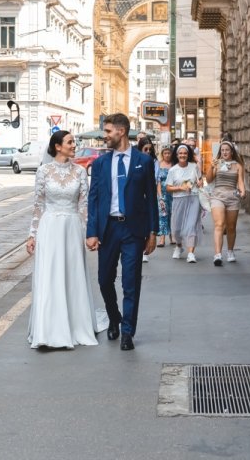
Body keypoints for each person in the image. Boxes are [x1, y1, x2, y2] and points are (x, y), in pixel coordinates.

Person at [86, 113, 158, 351]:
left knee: (131, 281)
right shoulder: (100, 164)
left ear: (121, 132)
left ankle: (127, 331)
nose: (104, 136)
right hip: (108, 228)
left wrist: (153, 231)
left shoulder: (143, 161)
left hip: (133, 230)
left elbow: (151, 199)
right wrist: (92, 231)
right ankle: (114, 316)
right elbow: (93, 199)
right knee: (104, 279)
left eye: (108, 132)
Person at [26, 130, 99, 349]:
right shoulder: (43, 171)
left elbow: (84, 205)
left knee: (71, 275)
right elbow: (38, 204)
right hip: (49, 228)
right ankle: (47, 330)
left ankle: (75, 325)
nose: (74, 145)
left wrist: (89, 233)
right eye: (70, 142)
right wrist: (32, 235)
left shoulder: (79, 172)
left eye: (73, 142)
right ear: (58, 146)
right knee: (50, 276)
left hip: (72, 227)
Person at [208, 140, 247, 266]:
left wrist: (243, 191)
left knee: (231, 227)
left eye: (227, 150)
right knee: (219, 224)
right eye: (222, 150)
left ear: (232, 152)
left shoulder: (238, 165)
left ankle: (230, 251)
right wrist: (211, 166)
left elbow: (240, 181)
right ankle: (217, 254)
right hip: (218, 196)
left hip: (232, 196)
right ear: (220, 152)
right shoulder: (217, 163)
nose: (224, 152)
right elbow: (209, 180)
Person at [165, 144, 203, 263]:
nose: (183, 155)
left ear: (188, 155)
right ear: (177, 155)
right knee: (176, 228)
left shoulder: (194, 167)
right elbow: (168, 188)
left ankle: (191, 253)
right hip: (178, 199)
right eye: (180, 153)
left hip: (193, 198)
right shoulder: (173, 170)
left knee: (191, 225)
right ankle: (179, 246)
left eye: (185, 153)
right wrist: (181, 188)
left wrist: (200, 183)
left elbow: (200, 180)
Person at [156, 145, 174, 247]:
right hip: (162, 193)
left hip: (172, 193)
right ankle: (162, 239)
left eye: (169, 153)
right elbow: (157, 181)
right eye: (165, 153)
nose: (167, 155)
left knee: (172, 214)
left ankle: (172, 237)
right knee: (163, 214)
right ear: (162, 154)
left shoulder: (174, 165)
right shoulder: (158, 165)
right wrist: (160, 196)